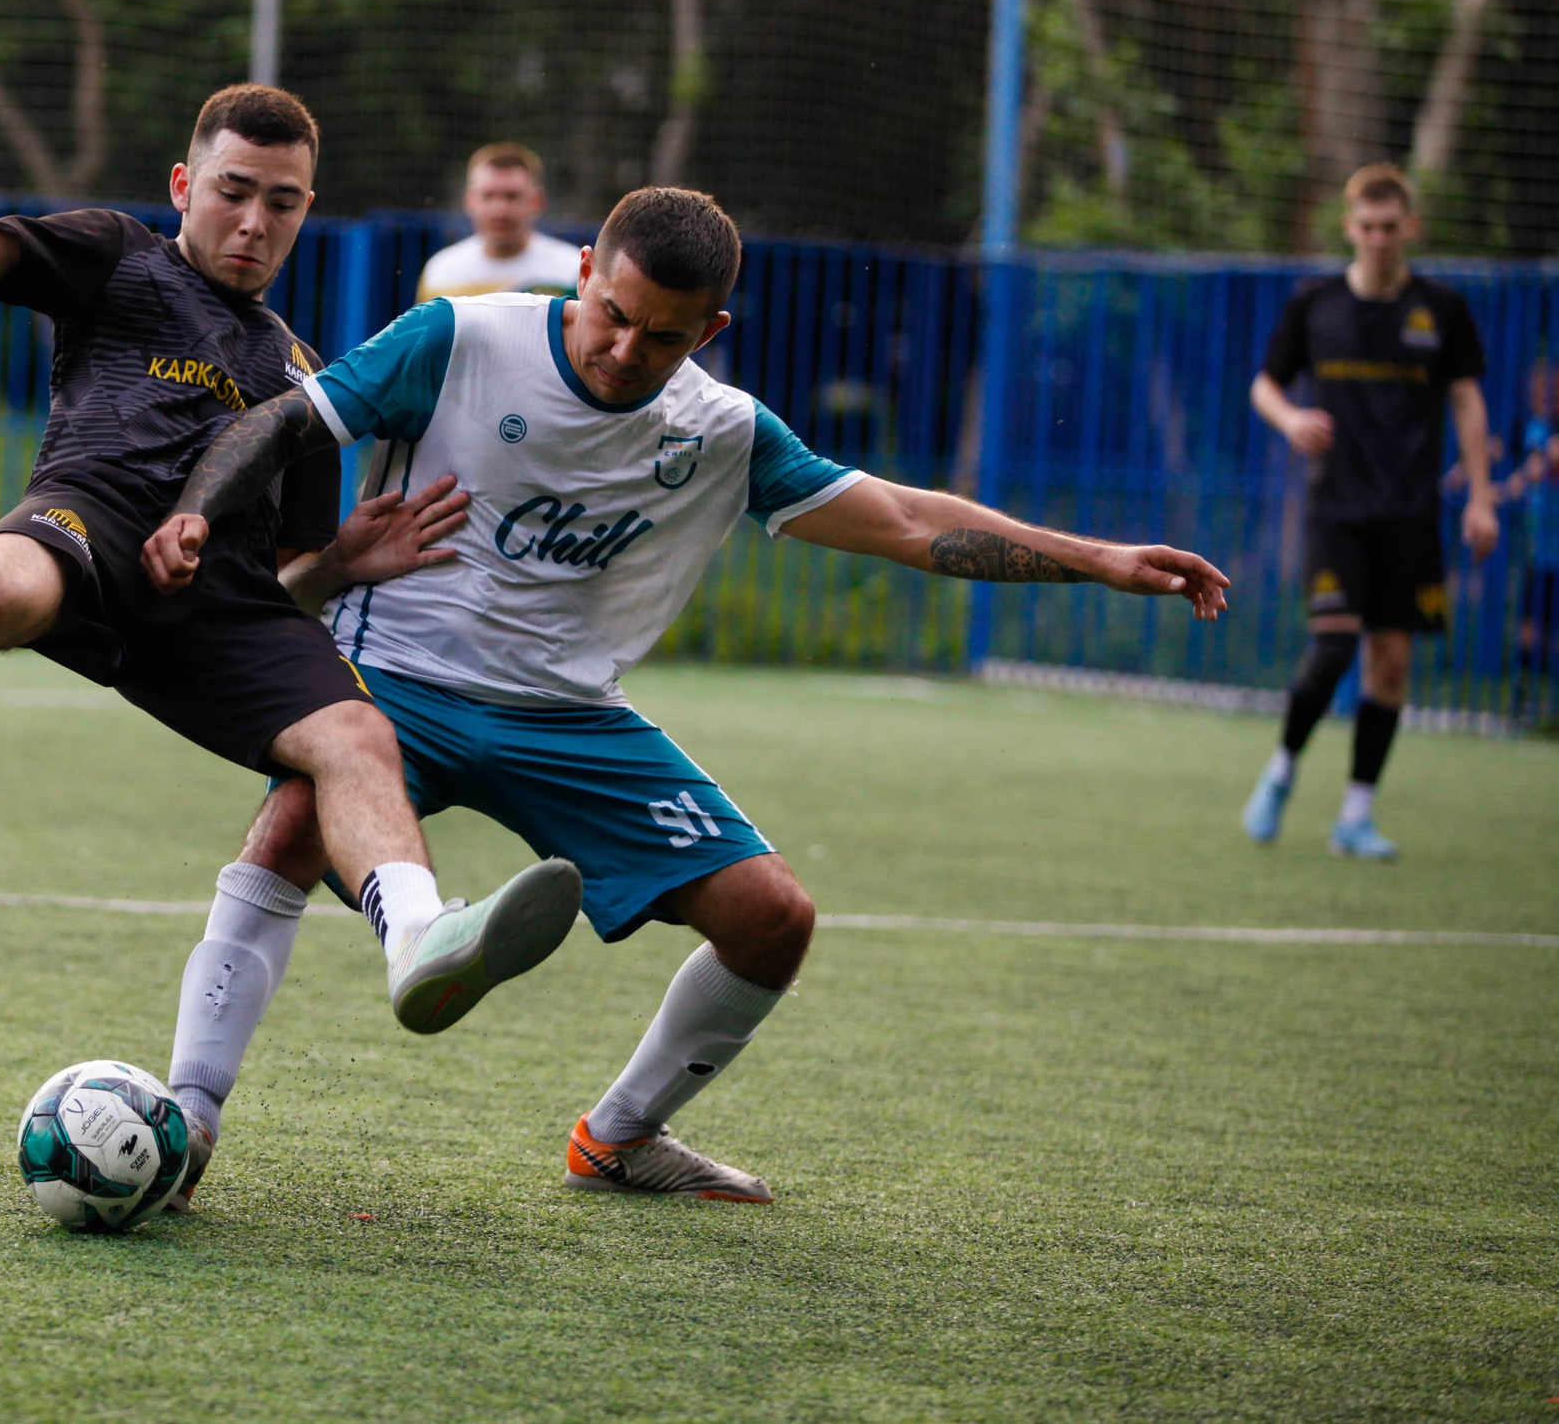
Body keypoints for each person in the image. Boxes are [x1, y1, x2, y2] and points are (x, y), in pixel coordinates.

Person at [141, 187, 1229, 1208]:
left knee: (772, 918)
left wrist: (1094, 558)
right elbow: (286, 422)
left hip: (571, 717)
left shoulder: (721, 432)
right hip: (396, 681)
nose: (625, 351)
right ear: (583, 273)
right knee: (291, 822)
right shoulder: (458, 338)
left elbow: (904, 521)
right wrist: (197, 509)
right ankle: (188, 1123)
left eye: (662, 337)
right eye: (611, 316)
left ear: (707, 331)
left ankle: (617, 1138)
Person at [0, 79, 584, 1037]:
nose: (253, 220)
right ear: (185, 184)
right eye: (233, 190)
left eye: (281, 202)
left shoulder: (305, 379)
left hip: (224, 605)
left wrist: (345, 561)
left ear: (305, 210)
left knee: (357, 740)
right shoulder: (117, 256)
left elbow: (294, 581)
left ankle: (417, 938)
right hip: (88, 522)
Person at [1241, 163, 1497, 860]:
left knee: (1390, 664)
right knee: (1333, 645)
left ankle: (1356, 814)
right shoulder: (1314, 303)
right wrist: (1290, 419)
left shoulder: (1441, 309)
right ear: (1350, 229)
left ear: (1409, 227)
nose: (1380, 238)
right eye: (1367, 227)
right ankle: (1282, 770)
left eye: (1391, 227)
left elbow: (1468, 401)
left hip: (1410, 514)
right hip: (1337, 509)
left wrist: (1479, 495)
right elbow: (1265, 384)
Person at [414, 143, 586, 302]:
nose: (500, 210)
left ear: (537, 202)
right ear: (469, 201)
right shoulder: (441, 273)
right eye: (488, 196)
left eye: (512, 196)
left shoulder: (573, 272)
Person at [1503, 358, 1557, 679]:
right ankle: (1526, 691)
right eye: (1533, 388)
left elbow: (1539, 465)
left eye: (1546, 387)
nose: (1538, 394)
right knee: (1530, 618)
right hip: (1541, 546)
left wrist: (1510, 488)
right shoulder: (1535, 425)